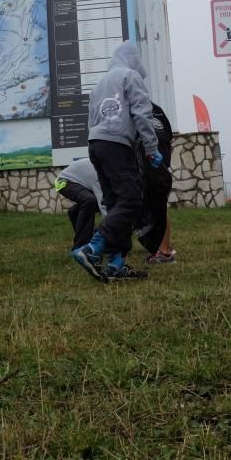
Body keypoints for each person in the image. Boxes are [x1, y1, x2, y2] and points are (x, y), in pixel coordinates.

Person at [72, 43, 160, 282]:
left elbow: (92, 117)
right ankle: (91, 250)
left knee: (113, 204)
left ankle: (116, 263)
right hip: (117, 144)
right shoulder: (130, 76)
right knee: (131, 199)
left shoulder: (100, 83)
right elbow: (142, 113)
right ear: (133, 59)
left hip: (96, 144)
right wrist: (151, 148)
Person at [140, 102, 176, 264]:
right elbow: (169, 137)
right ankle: (162, 248)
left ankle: (164, 252)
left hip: (149, 161)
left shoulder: (132, 107)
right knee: (160, 205)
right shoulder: (157, 109)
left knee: (154, 207)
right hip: (162, 161)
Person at [55, 158, 105, 250]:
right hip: (63, 182)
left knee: (91, 203)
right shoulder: (97, 173)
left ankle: (74, 212)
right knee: (90, 201)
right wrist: (111, 227)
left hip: (80, 183)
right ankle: (81, 246)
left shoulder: (103, 167)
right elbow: (102, 203)